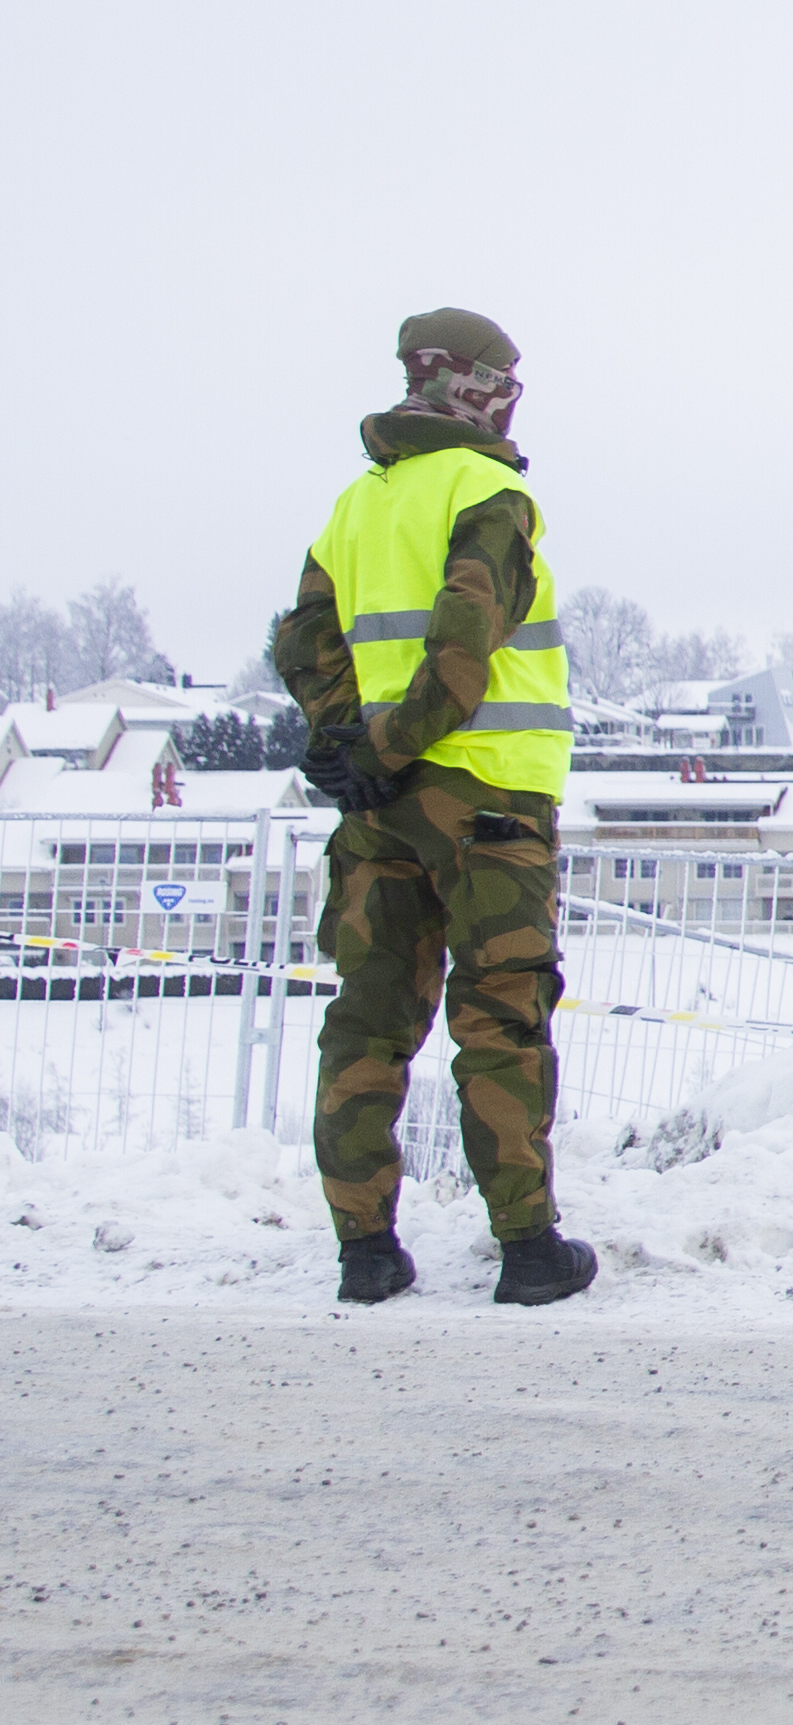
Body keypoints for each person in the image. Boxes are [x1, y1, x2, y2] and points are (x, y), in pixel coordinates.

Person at [269, 308, 599, 1305]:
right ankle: (530, 1253)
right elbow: (466, 642)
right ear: (469, 384)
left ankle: (365, 1253)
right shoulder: (487, 490)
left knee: (367, 1022)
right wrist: (385, 741)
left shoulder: (356, 508)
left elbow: (302, 641)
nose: (510, 400)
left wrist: (346, 745)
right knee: (500, 1017)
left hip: (383, 809)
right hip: (488, 800)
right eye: (504, 381)